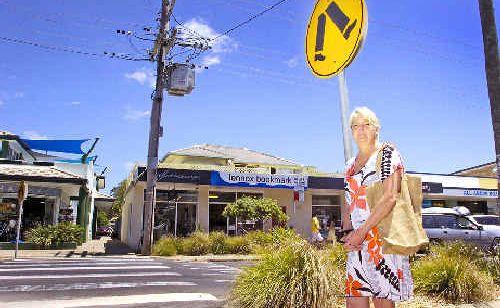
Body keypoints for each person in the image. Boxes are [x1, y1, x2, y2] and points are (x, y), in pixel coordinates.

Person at [341, 107, 413, 308]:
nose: (360, 130)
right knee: (353, 300)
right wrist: (348, 233)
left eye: (366, 125)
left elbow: (390, 197)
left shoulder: (387, 154)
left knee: (382, 302)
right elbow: (350, 203)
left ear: (376, 129)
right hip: (357, 242)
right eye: (355, 126)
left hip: (381, 240)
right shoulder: (349, 165)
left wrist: (362, 232)